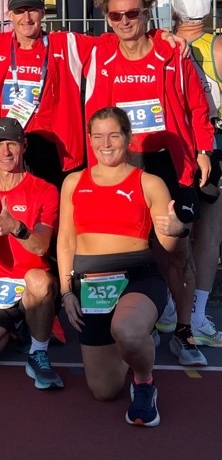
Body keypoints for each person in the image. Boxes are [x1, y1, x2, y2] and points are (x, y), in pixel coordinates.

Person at [85, 0, 215, 367]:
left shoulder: (171, 52)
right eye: (116, 15)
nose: (124, 21)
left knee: (177, 249)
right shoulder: (103, 55)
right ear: (108, 20)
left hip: (172, 165)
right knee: (133, 248)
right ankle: (148, 321)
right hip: (127, 169)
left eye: (132, 13)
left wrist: (204, 148)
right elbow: (95, 118)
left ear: (147, 14)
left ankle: (184, 332)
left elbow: (196, 106)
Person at [58, 107, 188, 427]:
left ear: (128, 138)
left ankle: (144, 382)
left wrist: (176, 232)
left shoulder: (149, 182)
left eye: (114, 135)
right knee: (104, 391)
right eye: (98, 136)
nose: (106, 143)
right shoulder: (74, 182)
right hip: (90, 286)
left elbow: (170, 249)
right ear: (89, 140)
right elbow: (65, 242)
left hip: (136, 277)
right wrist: (65, 292)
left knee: (127, 331)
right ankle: (134, 343)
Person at [0, 117, 63, 390]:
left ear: (24, 145)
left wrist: (16, 228)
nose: (5, 151)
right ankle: (14, 331)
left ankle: (38, 352)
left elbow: (41, 246)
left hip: (32, 286)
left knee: (39, 280)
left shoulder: (45, 189)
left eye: (12, 143)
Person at [0, 0, 96, 189]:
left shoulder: (66, 43)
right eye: (19, 11)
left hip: (53, 147)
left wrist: (157, 37)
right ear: (10, 16)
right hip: (7, 144)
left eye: (32, 10)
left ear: (42, 12)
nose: (26, 17)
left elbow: (113, 44)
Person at [168, 0, 222, 348]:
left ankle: (170, 308)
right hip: (212, 141)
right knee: (209, 233)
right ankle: (198, 313)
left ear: (174, 13)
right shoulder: (217, 45)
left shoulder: (166, 44)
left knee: (172, 229)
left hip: (175, 141)